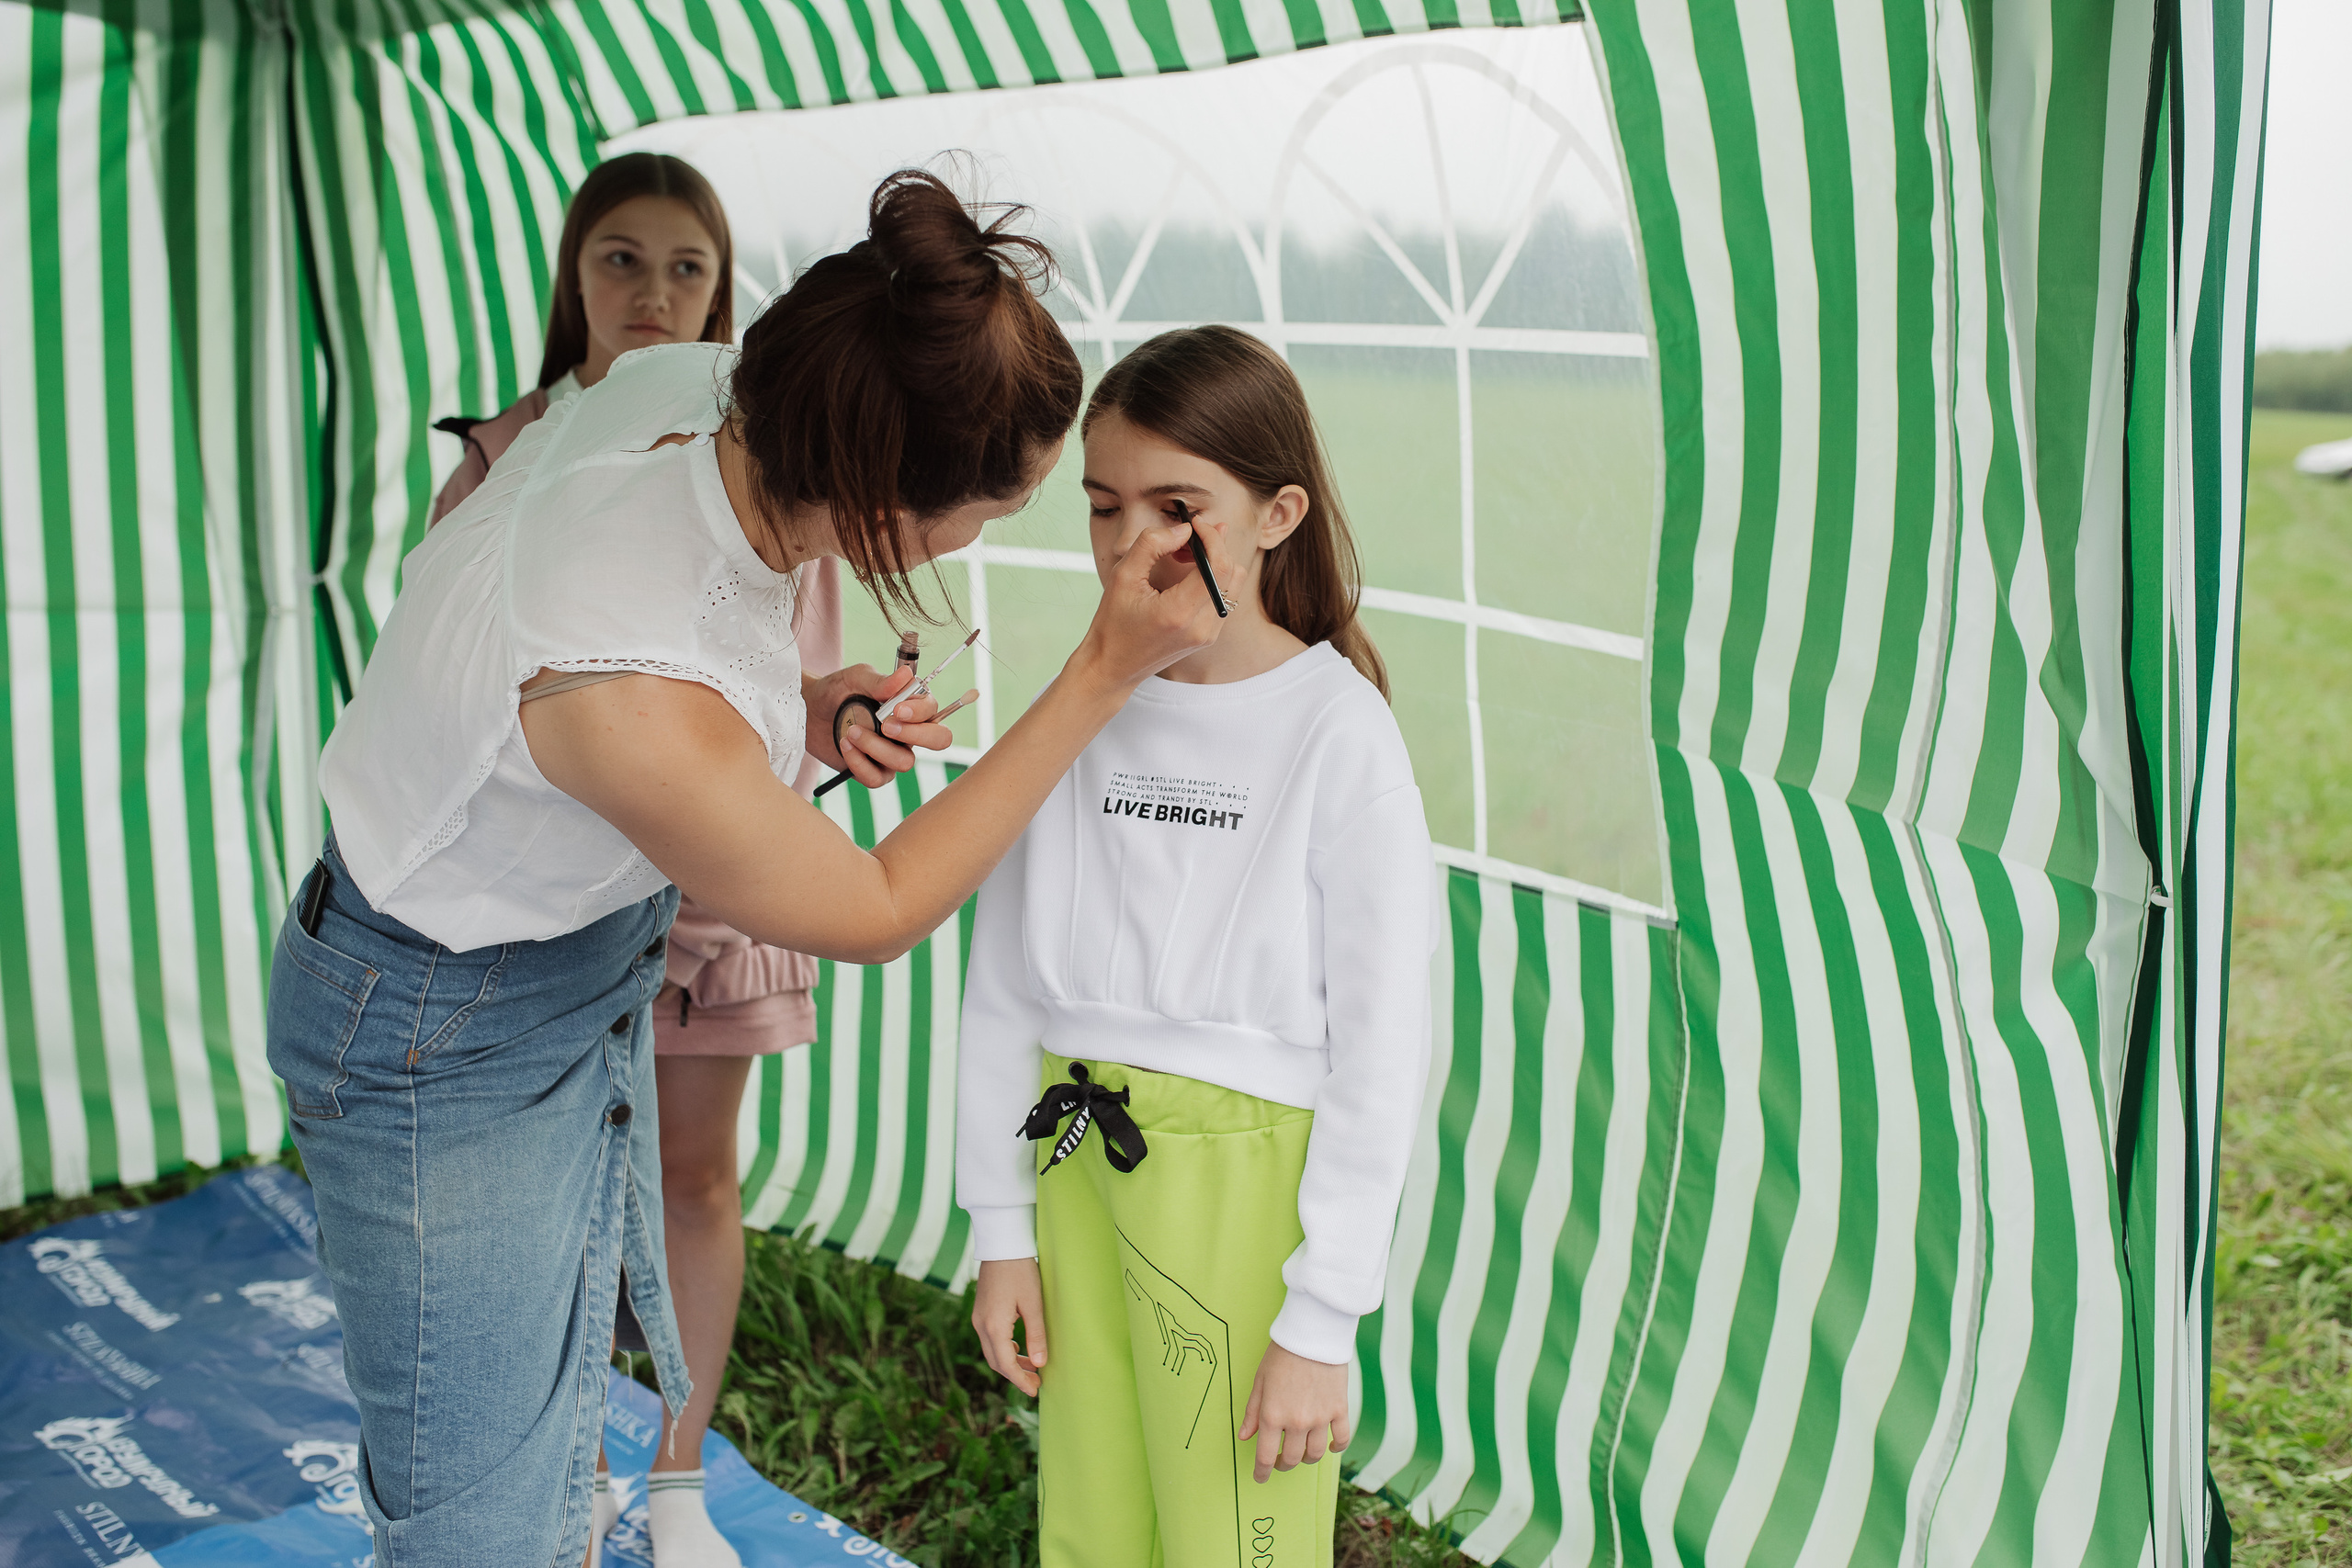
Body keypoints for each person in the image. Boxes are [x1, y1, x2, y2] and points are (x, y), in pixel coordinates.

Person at [266, 170, 1228, 1568]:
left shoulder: (719, 387)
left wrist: (810, 704)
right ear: (885, 508)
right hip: (434, 1029)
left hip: (561, 966)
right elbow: (877, 908)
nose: (988, 537)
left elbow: (712, 627)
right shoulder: (622, 694)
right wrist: (1105, 668)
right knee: (476, 1519)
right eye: (990, 511)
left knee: (543, 1442)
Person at [424, 150, 847, 1568]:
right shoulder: (504, 457)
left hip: (711, 908)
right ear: (571, 274)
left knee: (692, 1186)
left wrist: (838, 718)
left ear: (725, 288)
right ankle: (551, 1486)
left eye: (687, 266)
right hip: (536, 925)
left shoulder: (776, 467)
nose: (653, 293)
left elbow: (800, 696)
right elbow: (450, 691)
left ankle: (674, 1488)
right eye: (621, 258)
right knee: (535, 1218)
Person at [956, 325, 1435, 1568]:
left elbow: (1383, 1051)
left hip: (1248, 1196)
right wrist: (1002, 1229)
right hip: (1077, 1157)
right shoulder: (1077, 708)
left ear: (1277, 515)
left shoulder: (1339, 736)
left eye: (1179, 507)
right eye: (1105, 507)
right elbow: (1003, 990)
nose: (1133, 547)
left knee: (1236, 1538)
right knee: (1095, 1522)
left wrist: (1321, 1317)